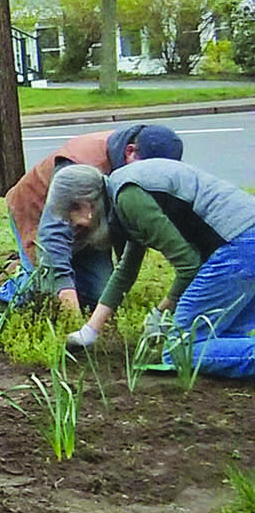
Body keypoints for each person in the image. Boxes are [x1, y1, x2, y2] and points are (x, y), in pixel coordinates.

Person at [53, 159, 255, 379]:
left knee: (180, 351)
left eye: (70, 218)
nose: (74, 226)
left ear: (84, 205)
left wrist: (162, 312)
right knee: (222, 336)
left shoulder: (129, 199)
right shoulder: (122, 192)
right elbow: (126, 271)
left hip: (239, 246)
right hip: (244, 240)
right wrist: (89, 331)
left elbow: (189, 265)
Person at [3, 122, 184, 312]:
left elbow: (126, 223)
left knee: (98, 297)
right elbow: (52, 237)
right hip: (38, 214)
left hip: (91, 224)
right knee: (43, 290)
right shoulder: (79, 165)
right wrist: (72, 314)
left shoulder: (129, 165)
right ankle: (14, 280)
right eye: (147, 171)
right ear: (130, 151)